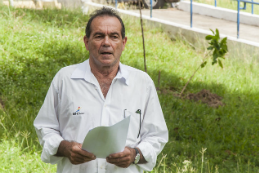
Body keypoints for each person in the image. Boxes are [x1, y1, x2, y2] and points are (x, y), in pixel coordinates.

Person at [34, 7, 168, 173]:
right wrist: (65, 148)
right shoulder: (65, 79)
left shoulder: (142, 83)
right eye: (99, 36)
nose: (106, 42)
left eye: (114, 36)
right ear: (86, 42)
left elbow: (156, 135)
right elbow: (45, 127)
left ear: (123, 43)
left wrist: (135, 154)